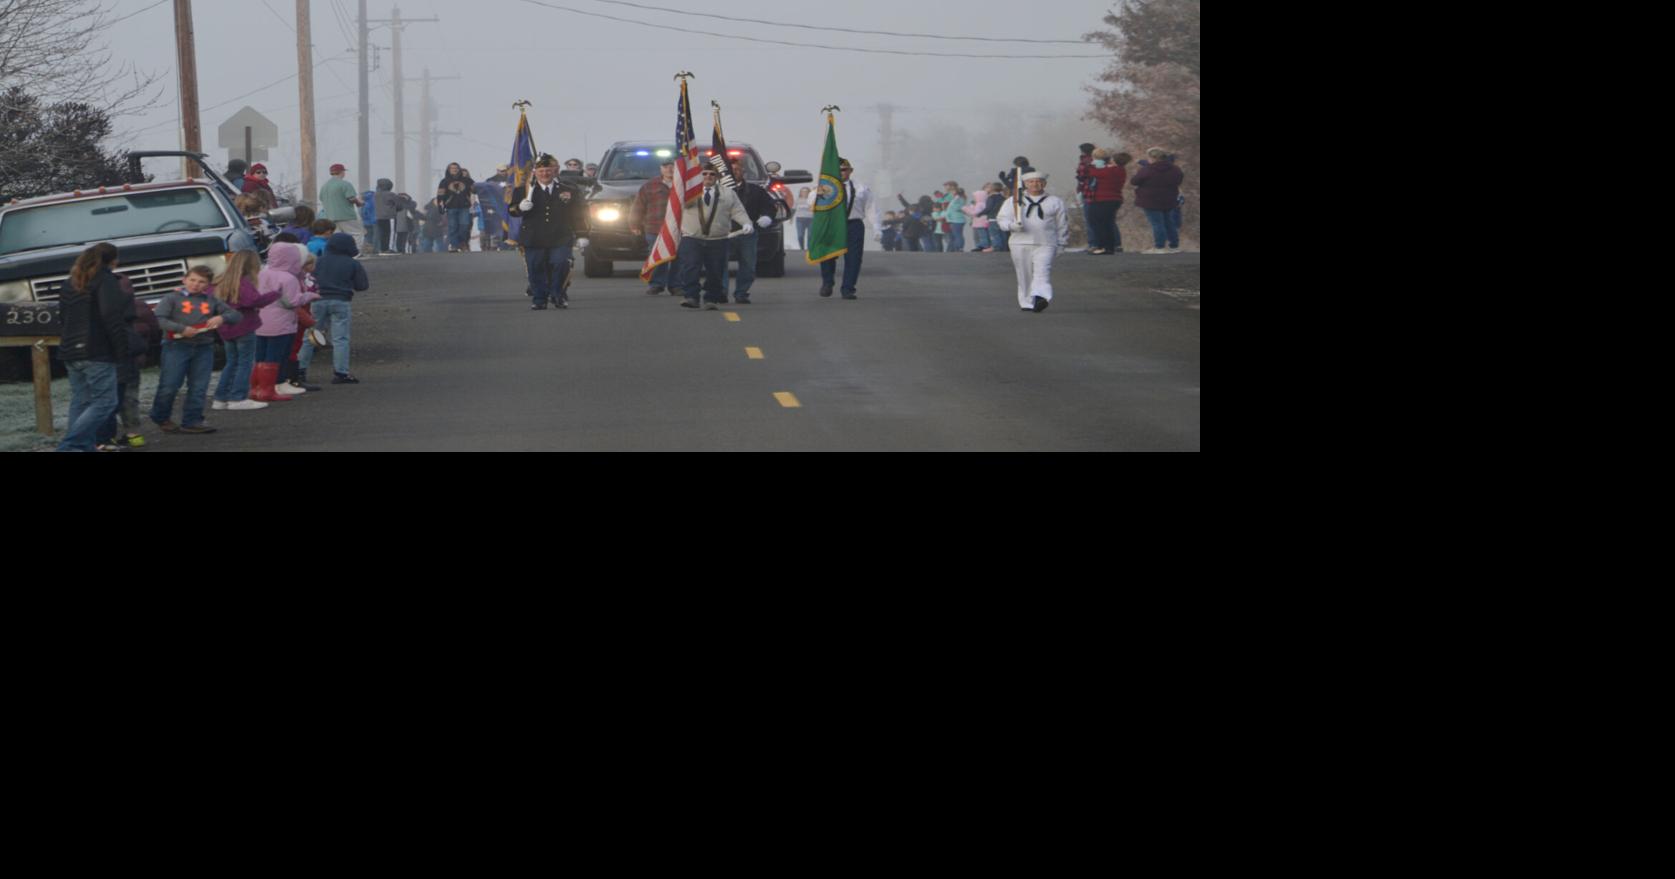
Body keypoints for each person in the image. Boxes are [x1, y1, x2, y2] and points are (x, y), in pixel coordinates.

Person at [55, 243, 128, 451]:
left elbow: (62, 316)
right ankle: (72, 444)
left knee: (81, 401)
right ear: (113, 260)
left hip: (70, 348)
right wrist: (121, 350)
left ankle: (83, 445)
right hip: (97, 350)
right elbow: (111, 317)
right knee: (105, 401)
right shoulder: (106, 281)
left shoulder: (70, 282)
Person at [151, 265, 241, 434]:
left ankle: (192, 420)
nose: (196, 284)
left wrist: (222, 317)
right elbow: (159, 319)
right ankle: (160, 416)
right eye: (192, 280)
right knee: (170, 385)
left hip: (203, 347)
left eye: (201, 282)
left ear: (208, 285)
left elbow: (236, 315)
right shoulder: (171, 298)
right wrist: (180, 329)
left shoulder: (211, 300)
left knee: (199, 386)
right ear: (184, 280)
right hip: (176, 346)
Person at [509, 154, 590, 311]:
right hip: (534, 237)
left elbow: (577, 214)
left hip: (560, 236)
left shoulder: (568, 190)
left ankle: (558, 294)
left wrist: (582, 234)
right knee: (535, 267)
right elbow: (512, 211)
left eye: (548, 170)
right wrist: (520, 207)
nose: (545, 174)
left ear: (554, 172)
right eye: (541, 171)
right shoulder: (523, 191)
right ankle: (539, 299)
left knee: (561, 264)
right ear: (535, 172)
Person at [675, 167, 752, 310]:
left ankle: (711, 298)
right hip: (692, 237)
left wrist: (746, 223)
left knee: (716, 271)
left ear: (717, 177)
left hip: (718, 239)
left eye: (712, 174)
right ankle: (691, 296)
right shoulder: (688, 193)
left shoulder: (728, 193)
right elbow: (676, 207)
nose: (708, 176)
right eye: (704, 174)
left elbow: (737, 211)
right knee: (690, 268)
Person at [296, 232, 368, 383]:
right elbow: (362, 286)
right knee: (340, 338)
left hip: (317, 300)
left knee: (310, 336)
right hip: (341, 301)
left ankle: (300, 370)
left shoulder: (319, 261)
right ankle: (341, 373)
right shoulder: (352, 263)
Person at [212, 250, 279, 410]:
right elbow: (253, 301)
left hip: (226, 328)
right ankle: (238, 397)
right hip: (243, 327)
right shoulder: (244, 282)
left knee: (231, 362)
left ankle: (221, 398)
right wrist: (275, 294)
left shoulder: (219, 281)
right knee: (245, 363)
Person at [993, 171, 1068, 314]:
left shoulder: (1055, 201)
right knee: (1024, 273)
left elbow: (1062, 223)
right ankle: (1027, 301)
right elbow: (1002, 219)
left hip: (1046, 242)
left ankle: (1041, 297)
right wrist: (1011, 226)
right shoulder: (1013, 201)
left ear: (1044, 184)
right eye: (1031, 182)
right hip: (1020, 242)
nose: (1035, 184)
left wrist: (1062, 243)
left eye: (1039, 181)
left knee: (1042, 271)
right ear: (1026, 184)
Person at [253, 244, 316, 401]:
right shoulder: (288, 278)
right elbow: (292, 302)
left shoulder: (262, 273)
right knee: (279, 355)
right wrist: (310, 296)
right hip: (281, 323)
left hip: (260, 322)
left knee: (261, 355)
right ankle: (276, 385)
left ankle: (258, 386)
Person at [818, 158, 879, 300]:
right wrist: (818, 195)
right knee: (827, 255)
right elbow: (811, 201)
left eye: (844, 170)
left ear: (850, 171)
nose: (841, 172)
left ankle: (848, 288)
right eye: (838, 170)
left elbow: (871, 208)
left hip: (853, 224)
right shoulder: (824, 187)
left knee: (854, 259)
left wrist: (877, 227)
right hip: (832, 224)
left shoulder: (861, 188)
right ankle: (827, 282)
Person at [727, 157, 779, 305]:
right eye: (731, 170)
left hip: (748, 234)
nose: (735, 172)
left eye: (738, 169)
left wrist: (767, 217)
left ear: (743, 171)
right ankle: (720, 293)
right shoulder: (718, 191)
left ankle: (741, 293)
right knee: (719, 266)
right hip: (722, 234)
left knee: (748, 266)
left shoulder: (756, 190)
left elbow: (770, 206)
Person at [629, 159, 676, 294]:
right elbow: (638, 206)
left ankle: (676, 285)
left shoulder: (682, 184)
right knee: (657, 256)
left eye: (672, 166)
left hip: (678, 228)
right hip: (655, 227)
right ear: (661, 169)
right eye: (665, 166)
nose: (669, 169)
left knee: (678, 257)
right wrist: (634, 224)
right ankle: (656, 284)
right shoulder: (650, 186)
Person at [1133, 147, 1185, 253]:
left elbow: (1134, 181)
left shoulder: (1147, 169)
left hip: (1150, 200)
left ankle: (1159, 246)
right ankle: (1174, 246)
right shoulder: (1175, 169)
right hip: (1169, 198)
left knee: (1157, 223)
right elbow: (1179, 179)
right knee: (1169, 222)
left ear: (1153, 158)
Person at [1084, 148, 1129, 255]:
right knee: (1108, 223)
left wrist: (1091, 164)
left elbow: (1093, 173)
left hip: (1102, 199)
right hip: (1114, 199)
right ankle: (1110, 246)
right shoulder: (1120, 171)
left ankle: (1102, 246)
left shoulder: (1111, 171)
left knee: (1098, 223)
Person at [318, 163, 365, 246]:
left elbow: (321, 198)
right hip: (346, 215)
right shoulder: (345, 184)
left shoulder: (324, 186)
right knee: (356, 233)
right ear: (342, 172)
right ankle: (356, 253)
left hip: (330, 216)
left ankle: (338, 253)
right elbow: (351, 198)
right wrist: (359, 203)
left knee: (336, 236)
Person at [438, 162, 475, 253]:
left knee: (465, 226)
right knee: (452, 227)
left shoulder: (467, 180)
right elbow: (440, 195)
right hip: (451, 207)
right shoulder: (444, 181)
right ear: (449, 170)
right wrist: (440, 205)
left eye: (456, 168)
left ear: (459, 169)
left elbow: (476, 189)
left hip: (464, 207)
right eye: (452, 168)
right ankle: (454, 246)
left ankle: (463, 243)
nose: (454, 169)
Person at [373, 178, 399, 255]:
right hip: (389, 216)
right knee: (390, 233)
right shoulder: (391, 194)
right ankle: (388, 249)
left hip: (378, 216)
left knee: (382, 233)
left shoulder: (376, 195)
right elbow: (399, 205)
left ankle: (381, 249)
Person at [941, 182, 967, 252]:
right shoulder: (956, 198)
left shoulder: (958, 199)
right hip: (953, 219)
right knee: (956, 235)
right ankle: (956, 248)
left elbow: (955, 208)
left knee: (957, 235)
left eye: (952, 191)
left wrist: (945, 211)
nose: (951, 192)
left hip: (956, 219)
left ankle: (959, 248)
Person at [795, 186, 814, 251]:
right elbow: (793, 209)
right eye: (803, 191)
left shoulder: (812, 200)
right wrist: (790, 218)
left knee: (810, 235)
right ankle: (802, 248)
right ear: (800, 192)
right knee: (800, 235)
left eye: (806, 192)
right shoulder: (797, 200)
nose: (804, 193)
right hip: (800, 220)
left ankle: (809, 249)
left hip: (810, 219)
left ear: (809, 192)